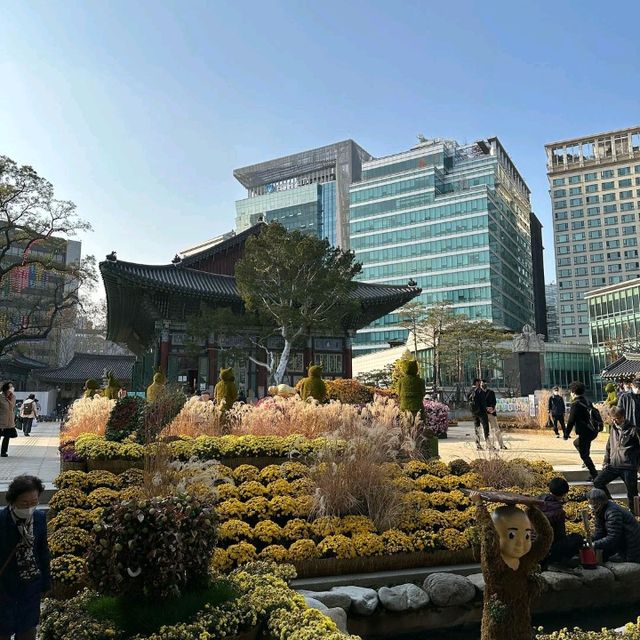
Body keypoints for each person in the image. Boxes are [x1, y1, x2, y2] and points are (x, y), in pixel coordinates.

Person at [0, 475, 51, 640]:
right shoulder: (1, 520)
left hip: (30, 586)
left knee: (28, 631)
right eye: (24, 503)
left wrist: (45, 583)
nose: (30, 507)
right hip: (4, 588)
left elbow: (43, 551)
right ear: (13, 501)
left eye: (34, 502)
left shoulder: (39, 518)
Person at [593, 406, 640, 510]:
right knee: (597, 482)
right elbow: (609, 446)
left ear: (623, 417)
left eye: (617, 418)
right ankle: (611, 504)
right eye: (612, 418)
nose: (614, 421)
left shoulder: (634, 430)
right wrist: (606, 461)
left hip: (628, 466)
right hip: (613, 465)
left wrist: (638, 465)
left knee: (632, 493)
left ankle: (635, 514)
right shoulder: (613, 429)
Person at [539, 477, 583, 567]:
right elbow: (560, 535)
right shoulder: (558, 511)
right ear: (564, 494)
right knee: (577, 538)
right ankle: (556, 561)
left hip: (531, 545)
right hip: (547, 551)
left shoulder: (537, 500)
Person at [588, 488, 640, 563]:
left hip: (631, 547)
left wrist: (594, 544)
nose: (591, 506)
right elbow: (599, 531)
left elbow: (613, 537)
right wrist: (590, 540)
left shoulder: (612, 513)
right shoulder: (599, 510)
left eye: (593, 504)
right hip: (621, 543)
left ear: (600, 503)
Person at [565, 381, 599, 480]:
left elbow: (571, 420)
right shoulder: (587, 401)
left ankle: (595, 474)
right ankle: (589, 464)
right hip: (592, 431)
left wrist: (566, 434)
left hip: (585, 432)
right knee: (578, 444)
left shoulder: (575, 404)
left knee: (584, 454)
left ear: (573, 392)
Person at [481, 380, 506, 450]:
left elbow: (494, 401)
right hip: (483, 414)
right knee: (485, 430)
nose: (483, 384)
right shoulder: (479, 393)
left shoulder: (491, 392)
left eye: (485, 383)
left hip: (491, 413)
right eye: (482, 383)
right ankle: (489, 445)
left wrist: (491, 407)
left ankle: (501, 444)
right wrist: (485, 408)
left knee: (496, 429)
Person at [468, 378, 489, 450]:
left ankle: (478, 444)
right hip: (481, 412)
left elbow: (468, 399)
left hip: (474, 412)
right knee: (486, 427)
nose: (481, 383)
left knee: (477, 428)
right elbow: (483, 402)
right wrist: (485, 409)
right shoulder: (479, 390)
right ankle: (488, 444)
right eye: (479, 382)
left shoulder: (470, 390)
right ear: (476, 382)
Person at [0, 382, 17, 458]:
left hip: (10, 420)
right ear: (6, 388)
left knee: (7, 437)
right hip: (1, 420)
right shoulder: (0, 397)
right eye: (10, 386)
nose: (12, 388)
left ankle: (3, 452)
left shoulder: (13, 397)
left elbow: (12, 408)